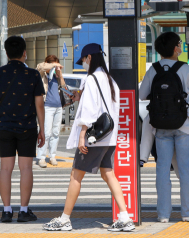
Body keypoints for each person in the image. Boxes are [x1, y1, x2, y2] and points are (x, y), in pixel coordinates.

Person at [44, 43, 134, 232]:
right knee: (109, 174)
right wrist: (79, 96)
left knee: (76, 175)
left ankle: (65, 219)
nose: (83, 63)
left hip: (94, 138)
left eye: (84, 59)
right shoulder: (109, 79)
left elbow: (89, 111)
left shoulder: (92, 79)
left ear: (90, 58)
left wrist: (82, 136)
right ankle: (125, 217)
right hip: (109, 137)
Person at [139, 32, 189, 223]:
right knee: (185, 172)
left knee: (162, 171)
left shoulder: (153, 69)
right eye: (180, 44)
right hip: (185, 126)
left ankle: (163, 214)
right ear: (176, 48)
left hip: (161, 127)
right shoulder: (185, 69)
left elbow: (142, 95)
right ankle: (187, 213)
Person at [0, 36, 46, 223]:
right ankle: (24, 211)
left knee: (5, 169)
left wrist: (3, 111)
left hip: (5, 126)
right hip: (27, 127)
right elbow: (39, 105)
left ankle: (6, 211)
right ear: (24, 53)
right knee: (26, 168)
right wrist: (42, 129)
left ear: (6, 53)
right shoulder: (33, 75)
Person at [35, 55, 66, 168]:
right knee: (46, 133)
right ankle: (41, 157)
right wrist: (53, 65)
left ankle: (52, 156)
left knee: (55, 133)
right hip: (47, 107)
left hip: (58, 107)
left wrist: (60, 74)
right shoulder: (43, 75)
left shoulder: (56, 76)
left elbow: (64, 87)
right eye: (53, 65)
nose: (54, 68)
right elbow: (40, 66)